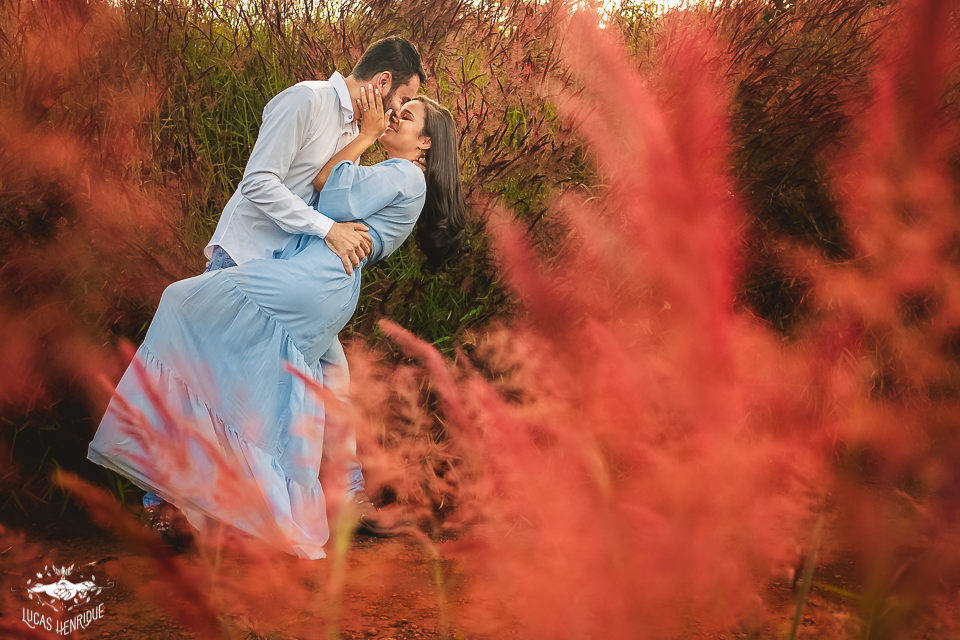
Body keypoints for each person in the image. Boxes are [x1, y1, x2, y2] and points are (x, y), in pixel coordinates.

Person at [87, 91, 464, 559]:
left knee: (184, 302)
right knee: (283, 385)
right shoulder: (399, 175)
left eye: (405, 116)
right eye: (395, 108)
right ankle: (243, 504)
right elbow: (332, 190)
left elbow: (332, 187)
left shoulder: (405, 173)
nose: (393, 116)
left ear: (424, 143)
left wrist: (365, 136)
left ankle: (195, 496)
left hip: (318, 277)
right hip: (322, 277)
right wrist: (358, 148)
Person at [139, 36, 427, 536]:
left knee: (332, 383)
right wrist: (327, 231)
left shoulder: (357, 130)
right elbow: (259, 182)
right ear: (382, 84)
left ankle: (345, 499)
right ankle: (163, 502)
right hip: (246, 258)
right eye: (402, 99)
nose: (399, 112)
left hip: (291, 275)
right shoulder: (307, 100)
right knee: (200, 373)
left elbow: (331, 194)